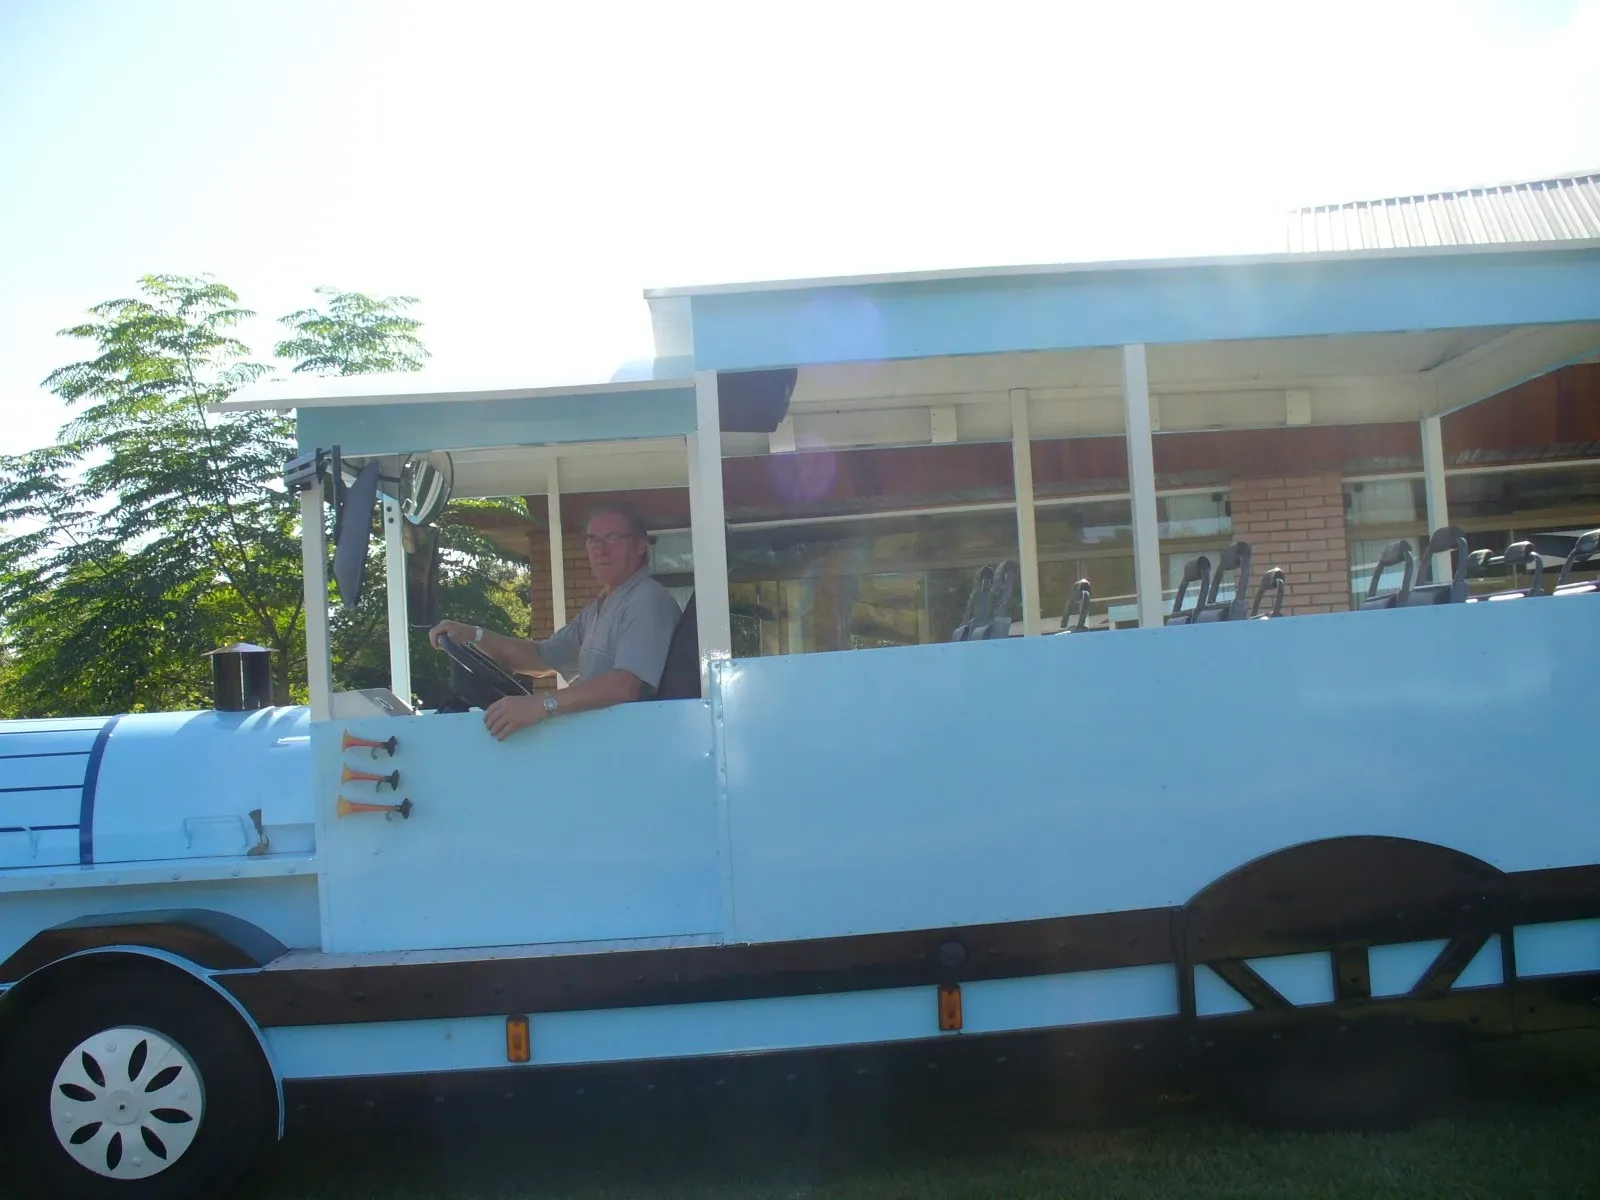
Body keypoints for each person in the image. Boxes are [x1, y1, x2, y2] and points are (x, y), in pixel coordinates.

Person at [428, 502, 683, 741]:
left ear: (641, 545)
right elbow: (541, 658)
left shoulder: (647, 599)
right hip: (595, 742)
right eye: (593, 539)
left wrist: (543, 705)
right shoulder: (598, 608)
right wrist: (476, 635)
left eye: (613, 538)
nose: (600, 549)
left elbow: (625, 686)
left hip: (624, 748)